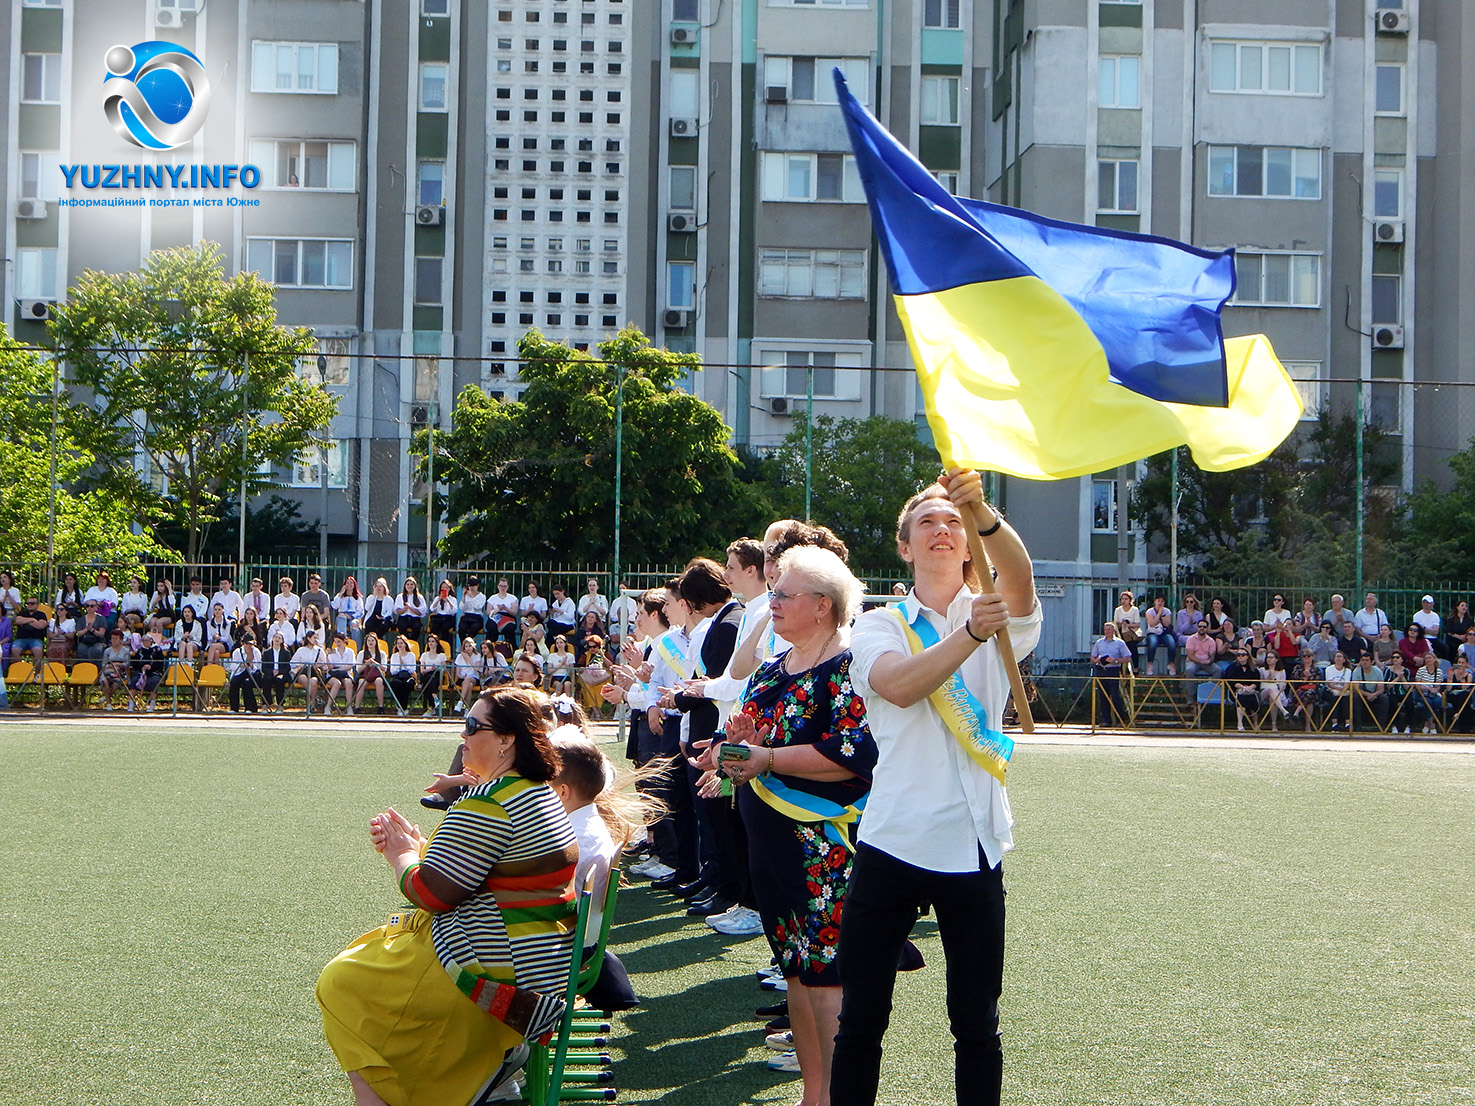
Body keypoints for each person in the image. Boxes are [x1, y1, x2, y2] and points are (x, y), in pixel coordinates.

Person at [834, 469, 1040, 1106]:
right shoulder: (878, 625)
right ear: (905, 546)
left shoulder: (998, 612)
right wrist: (970, 634)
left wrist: (983, 512)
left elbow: (1022, 576)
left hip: (975, 844)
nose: (942, 529)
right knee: (862, 1021)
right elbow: (897, 685)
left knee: (976, 1023)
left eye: (952, 521)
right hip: (892, 839)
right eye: (928, 520)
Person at [317, 686, 577, 1106]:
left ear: (507, 739)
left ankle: (450, 1081)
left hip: (494, 972)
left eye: (474, 726)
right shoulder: (533, 790)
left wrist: (402, 855)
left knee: (342, 981)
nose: (463, 734)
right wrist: (423, 851)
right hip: (534, 962)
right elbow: (474, 873)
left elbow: (431, 893)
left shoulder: (492, 801)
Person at [702, 546, 875, 1102]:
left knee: (827, 975)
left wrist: (767, 758)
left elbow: (851, 753)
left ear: (823, 605)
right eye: (771, 591)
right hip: (771, 841)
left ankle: (839, 1097)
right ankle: (815, 1094)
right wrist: (729, 753)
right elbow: (756, 745)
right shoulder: (777, 668)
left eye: (783, 594)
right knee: (796, 971)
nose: (770, 602)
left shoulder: (848, 666)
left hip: (822, 845)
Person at [547, 727, 644, 1013]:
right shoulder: (587, 823)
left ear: (562, 791)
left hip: (559, 951)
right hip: (582, 941)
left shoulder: (569, 840)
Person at [1090, 621, 1132, 723]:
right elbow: (1092, 657)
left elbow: (1127, 658)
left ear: (1113, 631)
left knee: (1114, 695)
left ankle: (1120, 720)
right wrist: (1096, 660)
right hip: (1101, 670)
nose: (1107, 632)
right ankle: (1106, 721)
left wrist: (1115, 660)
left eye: (1109, 630)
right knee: (1103, 696)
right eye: (1105, 630)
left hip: (1113, 670)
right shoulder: (1099, 642)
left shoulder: (1120, 643)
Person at [127, 631, 170, 712]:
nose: (146, 642)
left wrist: (150, 667)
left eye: (148, 640)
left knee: (153, 682)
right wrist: (142, 667)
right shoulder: (139, 651)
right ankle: (131, 705)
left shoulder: (157, 650)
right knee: (134, 681)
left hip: (154, 672)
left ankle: (152, 705)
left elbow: (160, 664)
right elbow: (135, 663)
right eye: (144, 641)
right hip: (141, 672)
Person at [291, 630, 329, 715]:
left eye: (317, 638)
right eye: (314, 638)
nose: (316, 640)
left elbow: (325, 665)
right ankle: (314, 698)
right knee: (303, 678)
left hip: (314, 672)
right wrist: (300, 664)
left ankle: (312, 703)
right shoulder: (301, 650)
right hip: (303, 671)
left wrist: (319, 664)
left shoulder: (319, 650)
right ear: (308, 638)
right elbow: (292, 663)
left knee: (314, 681)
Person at [1223, 647, 1261, 731]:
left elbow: (1257, 681)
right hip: (1236, 691)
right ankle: (1240, 723)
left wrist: (1251, 687)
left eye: (1243, 655)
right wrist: (1242, 687)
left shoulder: (1253, 668)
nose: (1240, 657)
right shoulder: (1232, 667)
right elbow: (1230, 681)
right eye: (1238, 655)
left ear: (1247, 656)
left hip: (1251, 691)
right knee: (1241, 701)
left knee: (1253, 701)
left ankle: (1255, 724)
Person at [1349, 653, 1388, 731]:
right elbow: (1355, 688)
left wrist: (1374, 694)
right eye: (1363, 660)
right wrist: (1368, 694)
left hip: (1374, 694)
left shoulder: (1378, 672)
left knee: (1384, 698)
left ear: (1372, 662)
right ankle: (1357, 725)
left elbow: (1381, 688)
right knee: (1355, 697)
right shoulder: (1356, 671)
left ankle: (1381, 726)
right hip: (1362, 694)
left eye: (1367, 660)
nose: (1364, 662)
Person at [324, 633, 359, 716]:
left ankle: (349, 707)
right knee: (337, 683)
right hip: (333, 675)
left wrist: (338, 669)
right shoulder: (332, 651)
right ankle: (328, 706)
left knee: (348, 683)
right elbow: (330, 667)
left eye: (339, 641)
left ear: (344, 641)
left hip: (346, 674)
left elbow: (350, 665)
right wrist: (327, 656)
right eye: (335, 642)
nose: (337, 644)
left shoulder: (350, 652)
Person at [1410, 650, 1445, 734]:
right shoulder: (1421, 670)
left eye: (1430, 658)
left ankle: (1427, 723)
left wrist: (1435, 689)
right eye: (1426, 658)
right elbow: (1417, 685)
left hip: (1433, 693)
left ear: (1434, 659)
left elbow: (1438, 685)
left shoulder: (1439, 672)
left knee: (1437, 701)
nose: (1428, 660)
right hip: (1422, 693)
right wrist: (1427, 688)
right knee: (1428, 702)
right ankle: (1432, 724)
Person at [228, 634, 264, 714]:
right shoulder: (237, 652)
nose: (249, 646)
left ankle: (250, 707)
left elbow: (259, 667)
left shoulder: (256, 651)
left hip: (253, 673)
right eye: (247, 644)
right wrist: (240, 665)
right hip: (240, 672)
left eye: (251, 644)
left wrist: (252, 665)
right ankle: (234, 708)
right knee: (234, 682)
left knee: (247, 682)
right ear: (243, 643)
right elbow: (233, 666)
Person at [1141, 596, 1176, 677]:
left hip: (1164, 632)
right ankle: (1150, 664)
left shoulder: (1167, 611)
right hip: (1152, 632)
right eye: (1158, 601)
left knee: (1171, 643)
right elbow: (1152, 623)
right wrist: (1159, 614)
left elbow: (1167, 624)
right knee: (1153, 643)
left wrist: (1161, 614)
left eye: (1162, 601)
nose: (1160, 603)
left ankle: (1171, 664)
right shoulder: (1149, 611)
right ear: (1155, 602)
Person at [354, 632, 388, 713]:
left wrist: (375, 663)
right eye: (368, 640)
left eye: (372, 640)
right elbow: (358, 669)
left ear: (376, 642)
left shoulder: (382, 653)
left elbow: (384, 668)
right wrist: (366, 664)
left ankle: (380, 707)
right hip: (364, 675)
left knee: (379, 681)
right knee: (361, 682)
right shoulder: (361, 653)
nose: (370, 642)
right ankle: (357, 706)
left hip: (377, 675)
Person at [99, 629, 132, 710]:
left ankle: (106, 697)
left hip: (120, 671)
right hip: (108, 670)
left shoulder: (126, 651)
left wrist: (118, 665)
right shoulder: (107, 651)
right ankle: (108, 704)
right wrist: (111, 666)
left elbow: (127, 664)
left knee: (115, 683)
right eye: (112, 638)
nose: (114, 640)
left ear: (120, 639)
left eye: (116, 638)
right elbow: (104, 664)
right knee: (104, 681)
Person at [261, 630, 294, 713]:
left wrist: (279, 672)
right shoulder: (267, 653)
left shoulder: (286, 653)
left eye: (279, 638)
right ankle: (266, 704)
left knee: (279, 681)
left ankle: (280, 705)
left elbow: (287, 668)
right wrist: (272, 671)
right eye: (275, 637)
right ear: (272, 639)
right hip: (270, 673)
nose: (277, 639)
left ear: (282, 641)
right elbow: (264, 668)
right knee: (266, 680)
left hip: (282, 674)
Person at [387, 635, 419, 717]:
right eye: (398, 643)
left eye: (401, 643)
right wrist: (399, 666)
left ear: (405, 644)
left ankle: (403, 707)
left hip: (408, 676)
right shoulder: (394, 656)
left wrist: (404, 664)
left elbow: (412, 670)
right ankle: (400, 707)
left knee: (407, 685)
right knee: (395, 684)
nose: (400, 645)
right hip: (397, 676)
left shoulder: (411, 655)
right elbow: (393, 671)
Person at [12, 596, 48, 666]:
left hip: (36, 639)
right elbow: (17, 621)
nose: (29, 605)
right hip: (21, 639)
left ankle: (37, 674)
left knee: (38, 651)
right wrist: (33, 620)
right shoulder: (22, 613)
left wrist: (25, 621)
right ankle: (21, 672)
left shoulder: (41, 614)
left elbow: (41, 625)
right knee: (14, 650)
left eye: (32, 603)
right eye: (28, 603)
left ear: (37, 605)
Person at [419, 634, 449, 716]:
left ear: (436, 643)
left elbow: (444, 669)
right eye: (429, 641)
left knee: (427, 683)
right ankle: (435, 698)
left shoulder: (441, 655)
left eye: (433, 641)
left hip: (437, 674)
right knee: (427, 679)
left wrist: (437, 668)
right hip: (427, 673)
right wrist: (430, 669)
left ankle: (431, 707)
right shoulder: (424, 655)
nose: (431, 643)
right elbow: (422, 670)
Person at [1323, 651, 1354, 730]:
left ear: (1344, 659)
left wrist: (1343, 690)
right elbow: (1330, 684)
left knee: (1346, 699)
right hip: (1330, 690)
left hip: (1343, 690)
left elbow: (1347, 684)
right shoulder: (1329, 669)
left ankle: (1347, 724)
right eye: (1337, 656)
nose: (1339, 658)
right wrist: (1340, 689)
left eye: (1340, 656)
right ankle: (1334, 723)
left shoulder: (1348, 671)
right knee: (1333, 698)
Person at [1112, 589, 1141, 671]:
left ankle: (1135, 667)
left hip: (1131, 633)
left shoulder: (1134, 609)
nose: (1123, 601)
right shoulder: (1118, 610)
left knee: (1132, 646)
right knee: (1120, 645)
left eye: (1126, 599)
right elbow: (1115, 623)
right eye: (1122, 599)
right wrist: (1121, 624)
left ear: (1130, 600)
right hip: (1120, 632)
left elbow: (1137, 624)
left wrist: (1127, 625)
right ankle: (1121, 668)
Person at [453, 637, 484, 714]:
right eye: (466, 646)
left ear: (473, 646)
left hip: (474, 677)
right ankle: (467, 709)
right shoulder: (460, 657)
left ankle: (461, 701)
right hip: (462, 678)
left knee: (469, 679)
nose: (468, 648)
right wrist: (462, 677)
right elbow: (457, 673)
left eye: (469, 646)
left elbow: (476, 669)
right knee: (469, 685)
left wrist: (468, 659)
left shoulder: (477, 655)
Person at [486, 578, 520, 648]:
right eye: (501, 586)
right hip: (495, 616)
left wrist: (505, 608)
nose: (502, 588)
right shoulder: (492, 598)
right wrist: (498, 609)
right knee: (491, 627)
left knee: (509, 629)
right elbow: (488, 613)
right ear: (498, 586)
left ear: (508, 587)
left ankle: (511, 649)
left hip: (508, 617)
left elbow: (514, 612)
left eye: (504, 586)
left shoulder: (513, 598)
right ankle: (489, 647)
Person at [332, 577, 365, 645]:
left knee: (354, 624)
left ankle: (356, 646)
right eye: (347, 583)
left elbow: (361, 611)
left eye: (351, 583)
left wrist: (351, 616)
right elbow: (334, 606)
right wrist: (340, 594)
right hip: (342, 615)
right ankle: (342, 641)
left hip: (353, 617)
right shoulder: (340, 596)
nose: (349, 584)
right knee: (342, 618)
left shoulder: (357, 598)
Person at [395, 577, 427, 641]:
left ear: (415, 586)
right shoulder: (400, 596)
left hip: (415, 618)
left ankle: (412, 641)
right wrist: (405, 608)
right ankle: (405, 641)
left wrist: (410, 608)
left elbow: (421, 613)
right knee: (401, 626)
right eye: (408, 584)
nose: (409, 586)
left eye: (411, 584)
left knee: (417, 627)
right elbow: (398, 611)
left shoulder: (419, 597)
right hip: (404, 617)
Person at [458, 576, 488, 641]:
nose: (472, 587)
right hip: (467, 616)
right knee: (462, 628)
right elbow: (461, 608)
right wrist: (464, 596)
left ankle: (468, 643)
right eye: (470, 585)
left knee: (474, 628)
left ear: (477, 586)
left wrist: (471, 596)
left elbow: (478, 607)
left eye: (474, 585)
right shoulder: (466, 595)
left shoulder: (482, 596)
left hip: (477, 617)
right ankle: (464, 644)